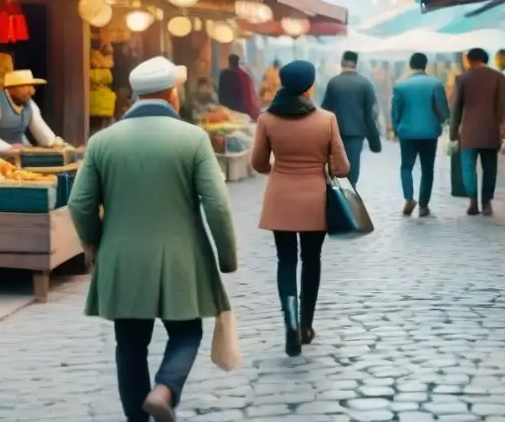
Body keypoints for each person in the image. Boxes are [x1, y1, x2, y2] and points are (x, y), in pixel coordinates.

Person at [68, 56, 237, 422]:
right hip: (182, 257)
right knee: (187, 332)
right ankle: (165, 388)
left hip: (122, 258)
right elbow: (217, 205)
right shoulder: (193, 138)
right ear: (172, 96)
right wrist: (227, 256)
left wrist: (96, 242)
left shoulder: (102, 141)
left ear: (133, 97)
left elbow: (79, 203)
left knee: (129, 345)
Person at [252, 60, 350, 356]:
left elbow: (258, 163)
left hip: (280, 198)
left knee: (285, 260)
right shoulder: (326, 119)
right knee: (311, 259)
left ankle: (290, 325)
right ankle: (306, 325)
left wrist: (280, 169)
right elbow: (342, 167)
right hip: (315, 199)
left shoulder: (267, 119)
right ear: (309, 86)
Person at [450, 47, 505, 216]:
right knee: (490, 168)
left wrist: (453, 132)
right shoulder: (499, 77)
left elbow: (456, 108)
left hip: (469, 132)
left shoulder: (462, 78)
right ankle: (487, 202)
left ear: (468, 59)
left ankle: (473, 201)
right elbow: (502, 107)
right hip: (491, 130)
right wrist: (503, 129)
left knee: (468, 167)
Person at [391, 52, 449, 217]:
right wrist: (442, 120)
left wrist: (395, 129)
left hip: (407, 132)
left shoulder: (401, 86)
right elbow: (444, 111)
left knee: (406, 166)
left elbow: (396, 111)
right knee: (428, 169)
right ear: (426, 65)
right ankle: (423, 205)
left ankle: (409, 198)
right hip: (430, 132)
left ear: (410, 65)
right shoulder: (435, 84)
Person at [320, 51, 381, 185]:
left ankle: (338, 192)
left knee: (336, 163)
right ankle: (350, 192)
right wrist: (374, 137)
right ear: (355, 64)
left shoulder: (333, 83)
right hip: (357, 133)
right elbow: (371, 114)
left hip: (336, 131)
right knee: (353, 164)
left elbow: (325, 109)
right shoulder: (365, 84)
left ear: (342, 63)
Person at [0, 70, 63, 154]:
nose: (31, 92)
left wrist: (53, 142)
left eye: (31, 87)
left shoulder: (30, 105)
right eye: (26, 87)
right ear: (11, 89)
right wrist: (8, 149)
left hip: (17, 156)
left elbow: (40, 129)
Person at [217, 54, 259, 118]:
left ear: (229, 62)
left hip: (228, 106)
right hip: (239, 108)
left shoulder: (224, 74)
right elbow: (248, 94)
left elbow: (220, 91)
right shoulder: (244, 76)